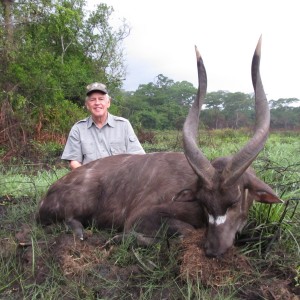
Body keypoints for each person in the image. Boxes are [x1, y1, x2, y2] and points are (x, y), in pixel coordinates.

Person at [61, 82, 145, 170]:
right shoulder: (78, 129)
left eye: (101, 99)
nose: (97, 103)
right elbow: (74, 162)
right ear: (87, 105)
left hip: (120, 181)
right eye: (92, 100)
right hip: (89, 181)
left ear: (108, 103)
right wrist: (89, 177)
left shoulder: (124, 125)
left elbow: (138, 157)